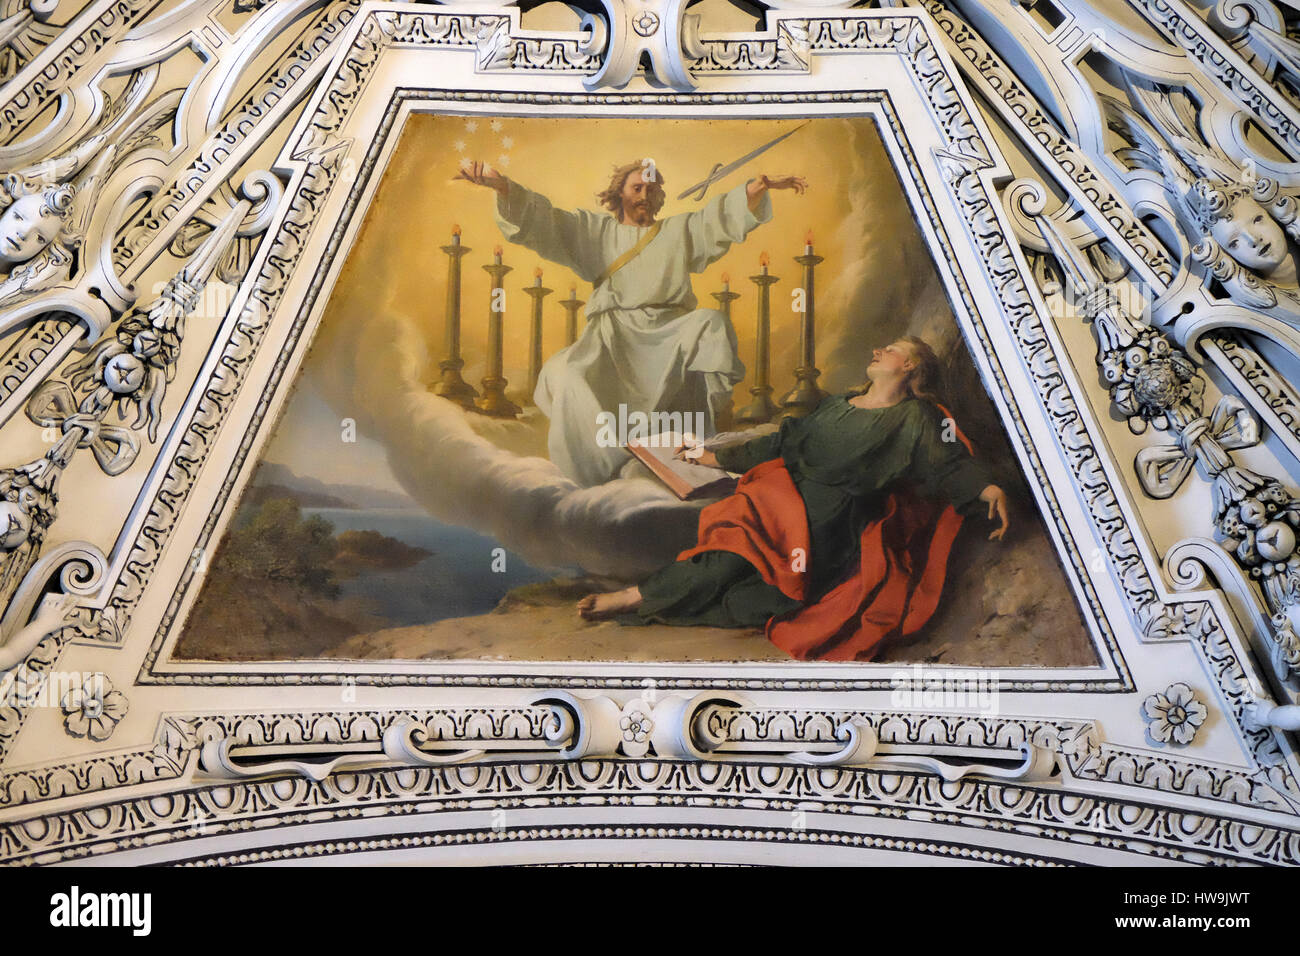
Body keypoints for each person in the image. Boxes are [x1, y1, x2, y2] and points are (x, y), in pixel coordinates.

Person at [577, 336, 1011, 662]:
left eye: (892, 349)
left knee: (762, 600)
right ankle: (634, 596)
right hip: (781, 497)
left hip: (830, 523)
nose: (878, 350)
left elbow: (948, 461)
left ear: (911, 364)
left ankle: (662, 599)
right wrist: (708, 456)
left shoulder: (915, 417)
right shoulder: (838, 404)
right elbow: (784, 441)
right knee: (730, 552)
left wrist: (985, 488)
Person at [456, 158, 807, 486]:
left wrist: (757, 188)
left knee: (711, 323)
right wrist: (505, 189)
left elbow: (716, 220)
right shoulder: (594, 232)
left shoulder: (678, 230)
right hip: (612, 336)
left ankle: (688, 448)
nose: (644, 195)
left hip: (671, 330)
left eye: (650, 189)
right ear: (619, 192)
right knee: (569, 373)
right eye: (636, 187)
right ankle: (600, 470)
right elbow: (548, 222)